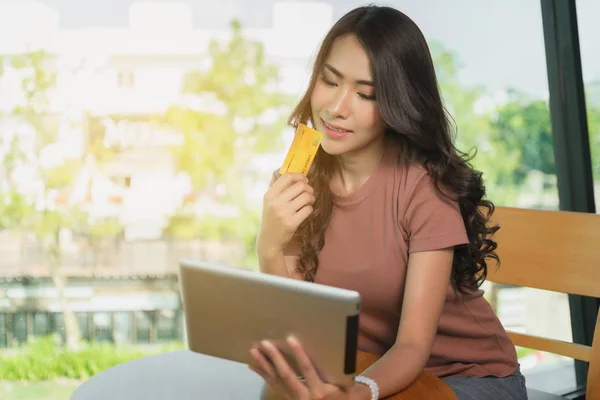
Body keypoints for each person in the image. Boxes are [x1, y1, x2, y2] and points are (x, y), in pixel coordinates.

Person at [250, 5, 527, 400]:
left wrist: (356, 395)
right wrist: (269, 244)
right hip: (364, 368)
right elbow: (297, 332)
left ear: (397, 103)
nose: (337, 108)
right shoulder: (298, 181)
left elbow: (413, 346)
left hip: (470, 379)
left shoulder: (424, 188)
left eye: (366, 93)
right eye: (330, 81)